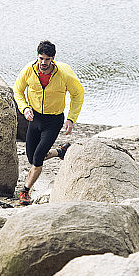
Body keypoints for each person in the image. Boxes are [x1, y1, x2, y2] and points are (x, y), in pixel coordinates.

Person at [13, 40, 85, 205]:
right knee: (32, 158)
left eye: (47, 59)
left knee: (38, 158)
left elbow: (78, 94)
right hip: (35, 118)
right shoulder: (29, 70)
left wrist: (71, 118)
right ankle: (60, 152)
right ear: (37, 56)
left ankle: (25, 191)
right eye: (41, 58)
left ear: (53, 58)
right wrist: (24, 108)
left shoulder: (64, 75)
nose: (43, 63)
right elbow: (17, 90)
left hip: (53, 121)